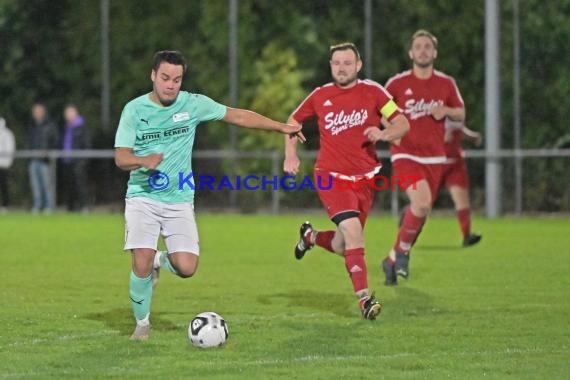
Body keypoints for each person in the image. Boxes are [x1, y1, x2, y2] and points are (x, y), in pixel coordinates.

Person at [114, 50, 302, 340]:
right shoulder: (134, 110)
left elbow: (237, 115)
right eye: (165, 78)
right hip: (143, 196)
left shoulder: (193, 104)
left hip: (179, 199)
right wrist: (143, 160)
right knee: (139, 261)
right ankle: (142, 324)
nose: (170, 84)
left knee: (187, 267)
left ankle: (158, 261)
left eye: (177, 79)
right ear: (153, 76)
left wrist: (281, 127)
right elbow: (121, 157)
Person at [283, 42, 410, 320]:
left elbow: (402, 123)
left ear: (358, 65)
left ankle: (310, 236)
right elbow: (292, 121)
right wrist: (290, 155)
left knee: (344, 246)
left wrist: (384, 133)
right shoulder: (320, 95)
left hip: (365, 182)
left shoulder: (374, 92)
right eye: (336, 63)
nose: (341, 68)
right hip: (330, 178)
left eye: (347, 63)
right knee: (354, 233)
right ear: (331, 66)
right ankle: (365, 300)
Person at [381, 29, 466, 286]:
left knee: (422, 209)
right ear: (411, 52)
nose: (423, 50)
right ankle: (403, 253)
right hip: (405, 154)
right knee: (421, 204)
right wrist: (391, 129)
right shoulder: (396, 84)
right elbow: (380, 111)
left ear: (435, 52)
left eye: (427, 46)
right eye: (418, 46)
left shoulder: (445, 83)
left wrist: (447, 110)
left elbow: (461, 113)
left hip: (435, 158)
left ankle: (392, 259)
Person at [439, 118, 482, 247]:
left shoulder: (456, 106)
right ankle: (406, 231)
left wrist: (472, 136)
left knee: (462, 201)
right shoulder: (430, 105)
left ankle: (466, 236)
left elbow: (458, 128)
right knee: (423, 204)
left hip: (455, 164)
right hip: (436, 163)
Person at [28, 102, 59, 214]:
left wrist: (48, 153)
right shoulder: (32, 125)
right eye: (35, 111)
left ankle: (49, 206)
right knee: (35, 186)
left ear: (43, 112)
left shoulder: (50, 125)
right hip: (33, 159)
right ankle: (38, 206)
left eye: (38, 111)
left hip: (45, 161)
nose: (36, 113)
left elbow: (55, 141)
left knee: (47, 185)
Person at [61, 104, 90, 212]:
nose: (69, 115)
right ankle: (70, 208)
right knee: (69, 185)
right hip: (67, 160)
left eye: (71, 112)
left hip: (79, 161)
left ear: (76, 113)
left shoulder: (82, 127)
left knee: (80, 184)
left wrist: (83, 160)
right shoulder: (66, 127)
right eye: (67, 113)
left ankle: (84, 207)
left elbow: (86, 144)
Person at [0, 117, 16, 213]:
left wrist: (7, 162)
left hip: (3, 165)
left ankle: (6, 205)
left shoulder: (7, 134)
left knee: (4, 186)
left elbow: (10, 149)